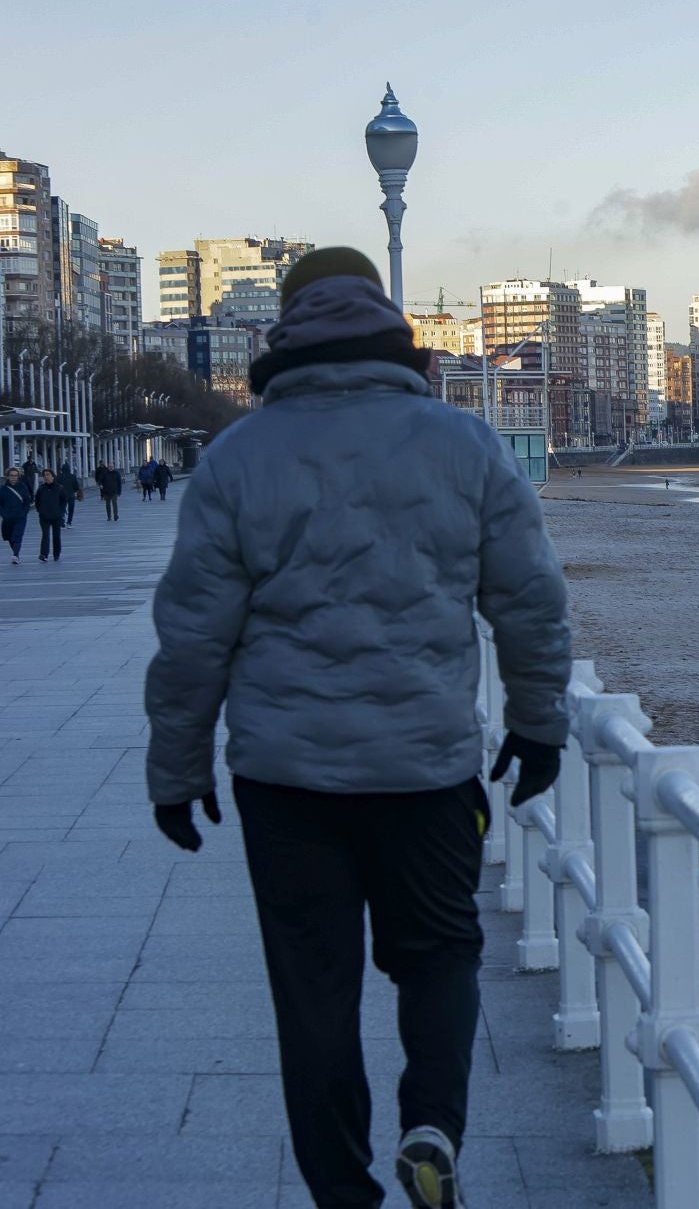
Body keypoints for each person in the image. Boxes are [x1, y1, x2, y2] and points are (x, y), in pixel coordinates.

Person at [145, 247, 571, 1209]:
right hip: (425, 770)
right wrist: (540, 725)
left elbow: (191, 636)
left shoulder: (237, 458)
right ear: (393, 326)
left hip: (285, 782)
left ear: (282, 333)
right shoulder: (463, 445)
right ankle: (434, 1127)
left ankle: (343, 1190)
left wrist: (175, 768)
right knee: (439, 953)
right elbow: (532, 603)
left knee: (313, 993)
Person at [1, 467, 29, 565]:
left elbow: (27, 501)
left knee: (17, 535)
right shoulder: (3, 489)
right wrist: (4, 514)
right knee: (9, 536)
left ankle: (15, 555)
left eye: (15, 475)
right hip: (8, 517)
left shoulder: (22, 487)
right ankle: (15, 552)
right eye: (11, 475)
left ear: (18, 476)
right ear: (8, 477)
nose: (13, 477)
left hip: (20, 517)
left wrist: (24, 512)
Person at [34, 469, 64, 562]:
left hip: (56, 516)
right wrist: (41, 511)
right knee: (45, 535)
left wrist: (60, 512)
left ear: (53, 476)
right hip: (44, 516)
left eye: (48, 475)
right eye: (44, 475)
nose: (46, 477)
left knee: (56, 535)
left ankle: (56, 554)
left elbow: (63, 502)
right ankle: (44, 554)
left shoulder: (59, 488)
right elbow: (37, 501)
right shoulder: (41, 489)